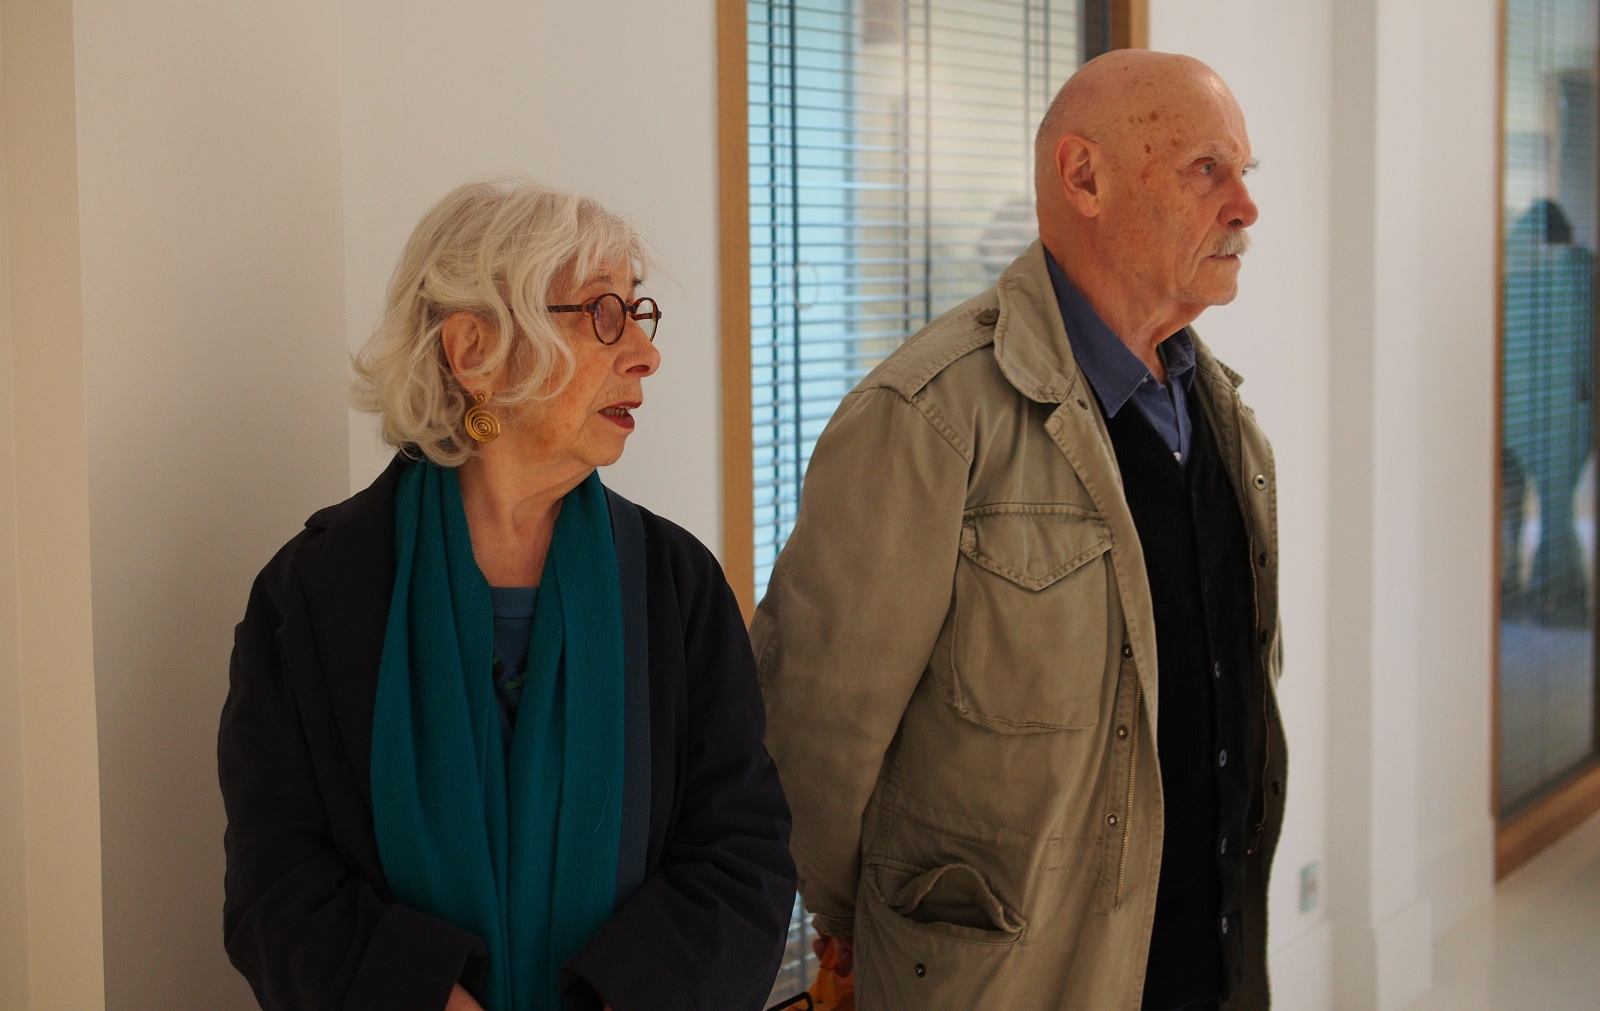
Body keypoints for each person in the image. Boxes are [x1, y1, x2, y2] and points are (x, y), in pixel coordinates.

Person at [752, 50, 1286, 1011]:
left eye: (1244, 172)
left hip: (1210, 967)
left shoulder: (1223, 416)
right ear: (1083, 178)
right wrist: (868, 924)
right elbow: (812, 737)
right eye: (1206, 169)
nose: (1245, 206)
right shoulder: (929, 417)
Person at [220, 178, 795, 1011]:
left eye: (638, 313)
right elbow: (277, 887)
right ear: (474, 351)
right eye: (603, 314)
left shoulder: (677, 586)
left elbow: (744, 857)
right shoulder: (311, 595)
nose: (645, 353)